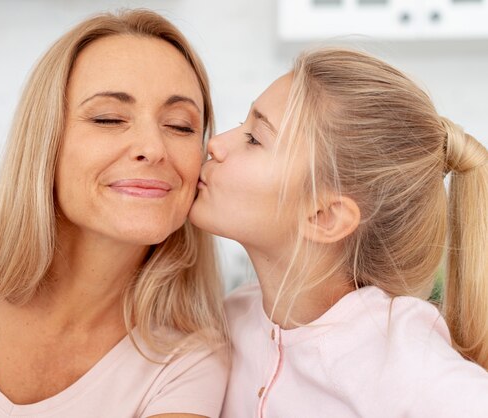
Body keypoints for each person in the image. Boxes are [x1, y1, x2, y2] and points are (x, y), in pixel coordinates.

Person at [0, 9, 229, 418]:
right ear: (45, 142)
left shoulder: (188, 363)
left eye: (180, 126)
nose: (154, 147)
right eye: (109, 118)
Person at [190, 47, 488, 417]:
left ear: (325, 216)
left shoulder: (401, 354)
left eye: (254, 139)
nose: (215, 144)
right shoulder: (230, 321)